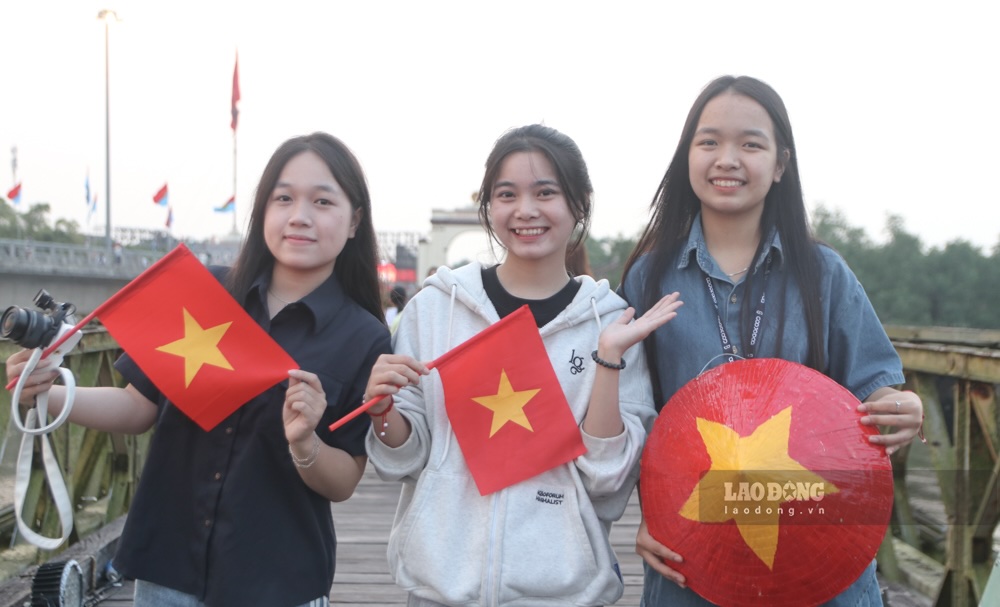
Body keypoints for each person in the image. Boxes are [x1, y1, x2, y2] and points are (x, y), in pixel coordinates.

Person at [6, 132, 391, 607]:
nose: (299, 216)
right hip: (168, 566)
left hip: (279, 578)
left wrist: (305, 441)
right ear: (262, 210)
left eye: (323, 201)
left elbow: (345, 479)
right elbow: (137, 405)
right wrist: (48, 392)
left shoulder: (366, 338)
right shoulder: (205, 292)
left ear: (355, 221)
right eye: (283, 198)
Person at [619, 75, 925, 606]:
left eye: (751, 144)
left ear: (781, 164)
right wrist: (647, 512)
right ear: (687, 155)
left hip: (817, 547)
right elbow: (629, 416)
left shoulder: (823, 274)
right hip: (693, 555)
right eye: (709, 141)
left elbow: (874, 393)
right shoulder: (648, 278)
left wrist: (902, 407)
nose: (727, 159)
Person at [362, 124, 683, 606]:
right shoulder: (435, 309)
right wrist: (383, 413)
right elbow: (405, 459)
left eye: (545, 192)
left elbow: (607, 477)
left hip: (565, 593)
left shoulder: (614, 322)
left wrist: (607, 358)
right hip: (441, 590)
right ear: (488, 206)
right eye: (507, 194)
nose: (525, 210)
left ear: (580, 203)